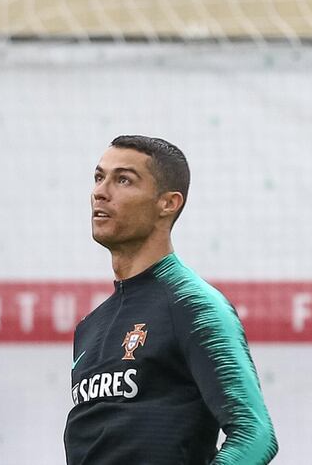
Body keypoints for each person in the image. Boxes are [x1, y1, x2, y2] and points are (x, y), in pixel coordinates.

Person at [63, 135, 278, 465]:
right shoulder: (87, 329)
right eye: (98, 177)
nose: (100, 192)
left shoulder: (195, 304)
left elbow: (254, 434)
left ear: (168, 203)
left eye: (123, 180)